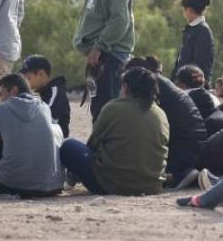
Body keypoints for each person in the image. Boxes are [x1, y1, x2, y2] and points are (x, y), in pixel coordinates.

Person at [60, 67, 169, 196]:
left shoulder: (113, 108)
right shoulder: (160, 113)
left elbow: (92, 145)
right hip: (152, 186)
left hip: (112, 185)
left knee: (68, 146)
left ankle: (70, 180)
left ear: (125, 86)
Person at [73, 0, 135, 122]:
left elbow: (119, 20)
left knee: (108, 112)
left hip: (111, 56)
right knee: (100, 110)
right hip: (102, 57)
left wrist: (99, 46)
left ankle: (108, 150)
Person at [127, 57, 208, 189]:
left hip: (185, 148)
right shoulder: (162, 83)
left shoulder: (152, 85)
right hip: (193, 143)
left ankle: (180, 174)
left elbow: (144, 120)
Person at [20, 54, 71, 138]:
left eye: (28, 78)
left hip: (53, 143)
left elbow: (45, 119)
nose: (26, 82)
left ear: (41, 74)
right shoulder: (42, 93)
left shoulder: (55, 91)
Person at [172, 0, 214, 86]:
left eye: (184, 9)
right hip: (183, 84)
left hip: (193, 86)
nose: (183, 13)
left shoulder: (203, 31)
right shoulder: (190, 29)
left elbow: (201, 64)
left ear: (189, 10)